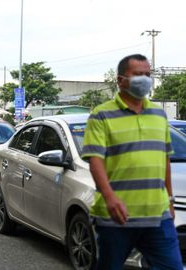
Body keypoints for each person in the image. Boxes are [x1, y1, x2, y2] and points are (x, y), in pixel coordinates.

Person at [82, 54, 183, 270]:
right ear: (120, 80)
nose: (145, 79)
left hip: (157, 215)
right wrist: (109, 198)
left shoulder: (159, 114)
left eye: (148, 74)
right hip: (117, 216)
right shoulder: (101, 115)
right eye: (138, 74)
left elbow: (164, 158)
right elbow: (95, 160)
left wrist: (171, 200)